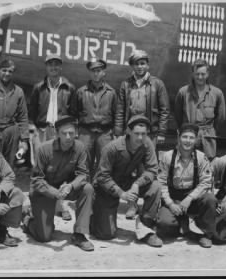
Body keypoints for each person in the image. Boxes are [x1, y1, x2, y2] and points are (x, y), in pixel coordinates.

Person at [22, 116, 95, 251]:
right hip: (44, 191)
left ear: (76, 133)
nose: (68, 137)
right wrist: (55, 193)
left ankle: (79, 234)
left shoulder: (80, 148)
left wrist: (71, 186)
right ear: (57, 134)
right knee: (44, 236)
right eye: (64, 133)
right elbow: (37, 180)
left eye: (71, 133)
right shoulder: (44, 149)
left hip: (66, 188)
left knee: (87, 189)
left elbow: (83, 174)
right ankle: (27, 219)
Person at [91, 115, 163, 247]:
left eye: (144, 134)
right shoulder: (112, 148)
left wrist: (137, 184)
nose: (140, 137)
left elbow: (152, 169)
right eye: (136, 133)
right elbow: (102, 176)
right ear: (128, 131)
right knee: (105, 234)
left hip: (130, 182)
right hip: (108, 186)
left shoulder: (147, 144)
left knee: (155, 186)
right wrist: (121, 193)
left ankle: (146, 228)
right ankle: (95, 217)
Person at [115, 50, 170, 219]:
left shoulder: (157, 84)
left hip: (150, 134)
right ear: (132, 66)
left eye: (143, 63)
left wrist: (161, 132)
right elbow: (120, 110)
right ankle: (132, 206)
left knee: (147, 169)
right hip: (131, 134)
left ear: (147, 65)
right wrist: (118, 132)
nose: (140, 67)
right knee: (130, 169)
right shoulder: (125, 84)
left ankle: (149, 206)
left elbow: (164, 110)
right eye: (136, 64)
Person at [29, 54, 76, 221]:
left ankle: (60, 204)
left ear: (61, 67)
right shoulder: (38, 87)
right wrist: (34, 129)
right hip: (42, 130)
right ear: (46, 67)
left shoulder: (69, 88)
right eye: (50, 64)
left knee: (60, 167)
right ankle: (35, 203)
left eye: (57, 65)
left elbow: (74, 112)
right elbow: (32, 109)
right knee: (39, 168)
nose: (53, 68)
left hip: (60, 131)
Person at [157, 123, 217, 248]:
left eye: (191, 138)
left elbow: (206, 182)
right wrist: (170, 204)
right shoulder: (167, 157)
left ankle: (206, 234)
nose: (188, 141)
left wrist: (189, 199)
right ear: (179, 137)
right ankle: (182, 225)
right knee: (164, 225)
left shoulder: (201, 158)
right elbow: (161, 183)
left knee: (210, 199)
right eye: (185, 137)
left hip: (192, 199)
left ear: (196, 140)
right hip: (174, 198)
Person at [71, 58, 117, 179]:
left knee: (104, 162)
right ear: (89, 72)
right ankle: (85, 188)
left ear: (104, 72)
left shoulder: (111, 92)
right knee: (84, 162)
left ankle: (99, 189)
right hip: (86, 132)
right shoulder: (81, 92)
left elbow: (116, 113)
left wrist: (116, 133)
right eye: (93, 71)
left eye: (99, 70)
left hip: (105, 132)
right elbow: (74, 113)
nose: (96, 73)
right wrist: (76, 132)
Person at [174, 58, 226, 160]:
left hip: (208, 138)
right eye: (197, 74)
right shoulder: (183, 92)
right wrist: (186, 129)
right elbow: (178, 115)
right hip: (188, 136)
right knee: (185, 163)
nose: (200, 77)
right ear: (193, 74)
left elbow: (221, 118)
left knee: (208, 165)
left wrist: (210, 130)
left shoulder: (217, 93)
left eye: (203, 74)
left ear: (208, 74)